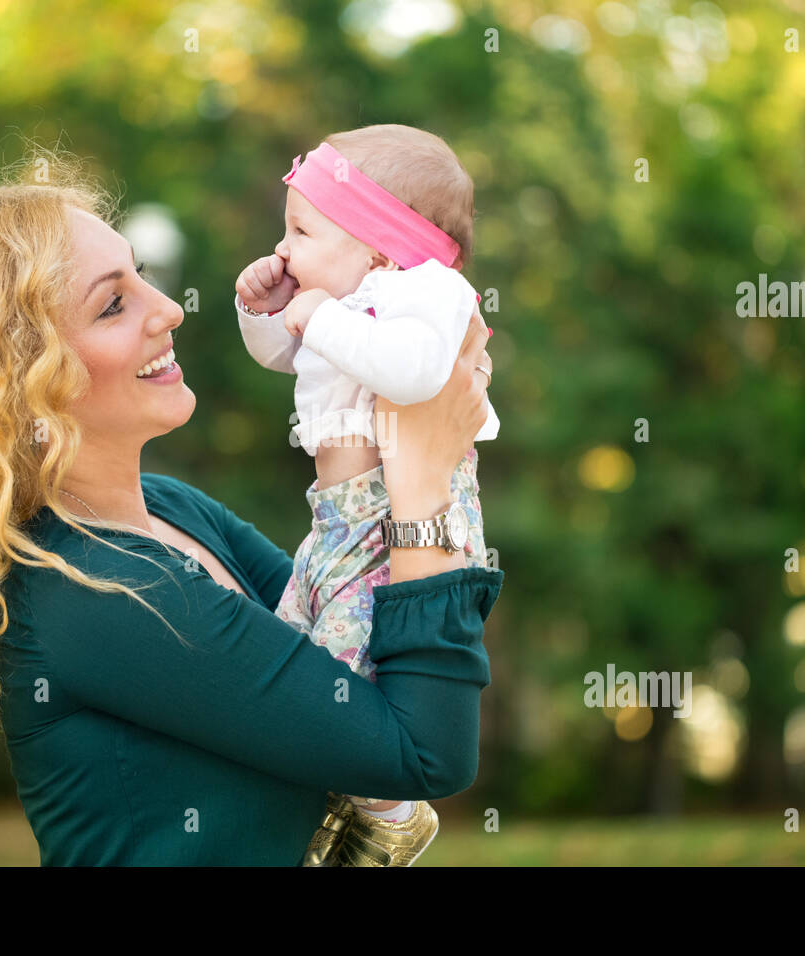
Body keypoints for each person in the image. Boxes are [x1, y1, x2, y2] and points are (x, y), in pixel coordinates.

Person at [0, 156, 502, 866]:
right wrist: (420, 474)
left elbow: (366, 666)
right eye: (113, 304)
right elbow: (421, 749)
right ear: (19, 384)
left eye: (142, 276)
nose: (167, 309)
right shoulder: (102, 591)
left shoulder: (173, 513)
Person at [235, 124, 498, 865]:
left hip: (396, 522)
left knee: (339, 686)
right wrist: (264, 310)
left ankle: (387, 813)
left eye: (300, 230)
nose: (282, 247)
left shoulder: (429, 293)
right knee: (291, 653)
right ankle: (331, 818)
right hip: (335, 523)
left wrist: (318, 315)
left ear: (378, 247)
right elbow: (283, 354)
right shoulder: (341, 302)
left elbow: (414, 375)